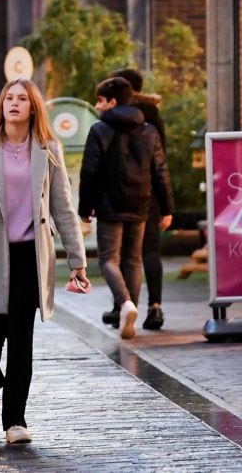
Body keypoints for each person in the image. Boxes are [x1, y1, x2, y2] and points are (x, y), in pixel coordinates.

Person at [0, 78, 89, 445]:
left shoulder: (47, 147)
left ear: (32, 107)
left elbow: (62, 207)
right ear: (1, 106)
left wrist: (77, 259)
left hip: (31, 254)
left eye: (22, 98)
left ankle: (15, 420)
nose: (14, 103)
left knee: (22, 339)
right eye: (9, 97)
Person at [78, 76, 173, 341]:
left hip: (109, 205)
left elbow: (90, 171)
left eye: (100, 100)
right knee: (133, 260)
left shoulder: (99, 130)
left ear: (113, 101)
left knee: (108, 259)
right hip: (141, 203)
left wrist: (85, 207)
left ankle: (125, 304)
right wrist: (167, 208)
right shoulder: (149, 130)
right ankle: (129, 313)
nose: (97, 106)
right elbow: (160, 172)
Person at [109, 67, 168, 330]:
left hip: (120, 193)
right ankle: (155, 307)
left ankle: (122, 306)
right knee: (150, 251)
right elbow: (161, 161)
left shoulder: (114, 119)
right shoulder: (153, 116)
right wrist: (168, 205)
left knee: (123, 255)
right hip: (150, 195)